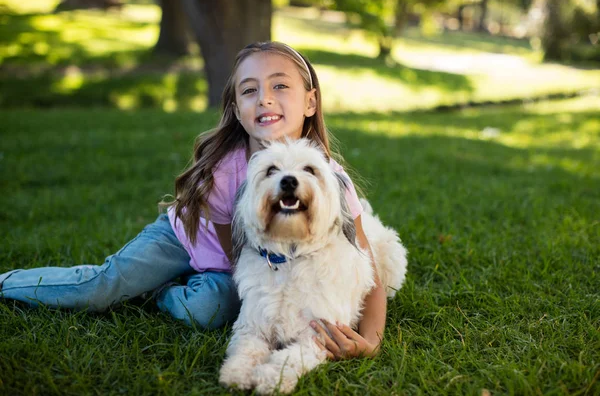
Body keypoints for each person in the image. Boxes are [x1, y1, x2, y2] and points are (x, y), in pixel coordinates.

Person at [0, 41, 387, 360]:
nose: (265, 100)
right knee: (103, 287)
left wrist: (369, 341)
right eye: (249, 91)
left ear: (310, 102)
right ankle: (7, 283)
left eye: (280, 86)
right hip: (187, 239)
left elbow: (367, 268)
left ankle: (160, 292)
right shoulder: (224, 173)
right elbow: (237, 258)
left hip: (244, 268)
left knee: (207, 311)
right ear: (237, 110)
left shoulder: (330, 181)